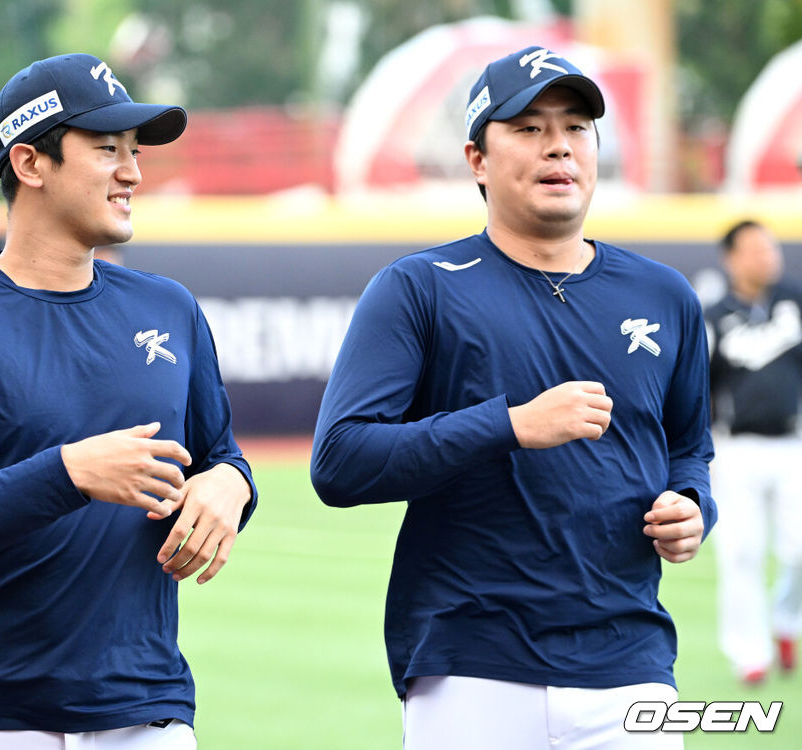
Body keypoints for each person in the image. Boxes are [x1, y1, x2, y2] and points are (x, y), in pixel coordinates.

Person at [310, 46, 716, 749]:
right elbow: (341, 462)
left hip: (633, 665)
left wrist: (693, 506)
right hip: (471, 669)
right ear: (476, 158)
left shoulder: (665, 295)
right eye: (528, 128)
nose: (558, 144)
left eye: (576, 126)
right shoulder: (421, 288)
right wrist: (510, 424)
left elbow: (689, 449)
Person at [0, 53, 257, 750]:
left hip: (149, 715)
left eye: (135, 153)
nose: (133, 172)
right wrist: (69, 473)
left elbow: (221, 456)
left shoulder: (171, 308)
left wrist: (233, 484)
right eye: (107, 150)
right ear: (30, 163)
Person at [705, 219, 802, 684]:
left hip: (794, 444)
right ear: (732, 258)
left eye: (771, 247)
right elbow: (699, 389)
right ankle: (750, 655)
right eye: (756, 249)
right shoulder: (713, 315)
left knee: (799, 550)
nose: (768, 256)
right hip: (738, 448)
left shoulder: (795, 303)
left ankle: (787, 622)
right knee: (740, 552)